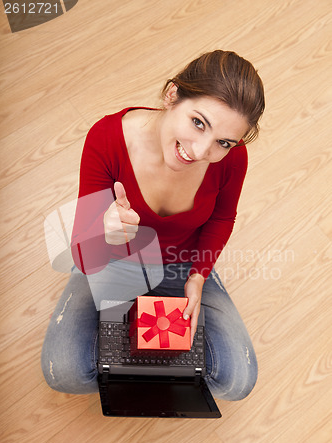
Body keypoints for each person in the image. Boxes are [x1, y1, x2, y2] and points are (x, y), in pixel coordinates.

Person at [41, 50, 265, 400]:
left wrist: (198, 275)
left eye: (223, 142)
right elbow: (86, 256)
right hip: (113, 261)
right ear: (172, 95)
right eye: (198, 122)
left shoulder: (232, 159)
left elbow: (222, 217)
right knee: (66, 372)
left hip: (182, 265)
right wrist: (105, 234)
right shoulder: (106, 138)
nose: (202, 150)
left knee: (236, 380)